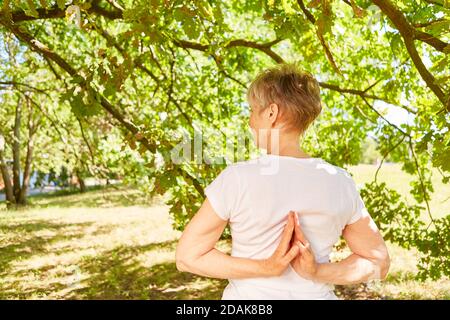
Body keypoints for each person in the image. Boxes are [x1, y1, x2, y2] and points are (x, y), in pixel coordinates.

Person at [176, 64, 390, 299]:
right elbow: (378, 262)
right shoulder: (340, 182)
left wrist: (267, 267)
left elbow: (188, 257)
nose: (250, 122)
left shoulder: (237, 178)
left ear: (271, 113)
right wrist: (317, 271)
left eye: (252, 110)